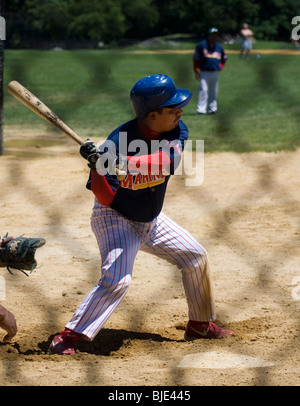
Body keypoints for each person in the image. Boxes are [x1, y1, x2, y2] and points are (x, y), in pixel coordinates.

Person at [48, 74, 234, 355]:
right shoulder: (115, 142)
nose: (179, 112)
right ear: (153, 114)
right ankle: (68, 337)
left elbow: (168, 160)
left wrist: (123, 162)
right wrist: (98, 167)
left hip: (152, 218)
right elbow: (105, 197)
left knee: (195, 256)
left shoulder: (174, 130)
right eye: (172, 109)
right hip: (115, 217)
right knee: (117, 278)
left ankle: (199, 324)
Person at [193, 28, 227, 115]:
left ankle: (212, 109)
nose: (214, 36)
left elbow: (224, 58)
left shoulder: (219, 47)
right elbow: (196, 59)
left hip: (215, 72)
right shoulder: (202, 45)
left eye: (216, 35)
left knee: (214, 91)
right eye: (212, 34)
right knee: (203, 90)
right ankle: (201, 109)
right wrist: (196, 71)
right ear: (209, 35)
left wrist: (221, 66)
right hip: (204, 72)